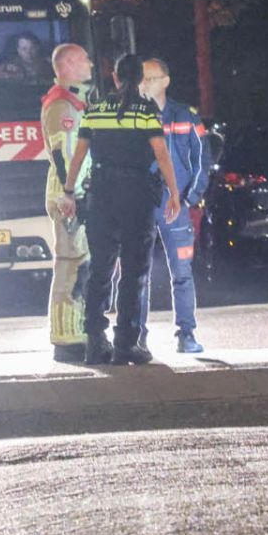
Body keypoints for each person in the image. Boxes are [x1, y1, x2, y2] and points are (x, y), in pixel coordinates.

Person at [62, 55, 181, 365]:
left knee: (100, 269)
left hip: (101, 195)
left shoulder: (95, 110)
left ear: (114, 77)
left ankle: (94, 342)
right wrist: (174, 193)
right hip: (136, 196)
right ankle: (126, 344)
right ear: (140, 78)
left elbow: (79, 155)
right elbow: (162, 155)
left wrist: (68, 191)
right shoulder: (146, 111)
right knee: (133, 271)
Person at [135, 58, 210, 354]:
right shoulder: (131, 115)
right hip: (142, 204)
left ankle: (186, 334)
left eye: (150, 78)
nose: (144, 84)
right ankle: (136, 335)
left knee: (181, 272)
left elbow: (203, 159)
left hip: (175, 205)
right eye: (141, 78)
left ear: (166, 81)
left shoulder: (185, 116)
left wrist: (191, 198)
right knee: (137, 273)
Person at [42, 43, 94, 363]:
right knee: (72, 264)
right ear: (70, 64)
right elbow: (64, 154)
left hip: (71, 193)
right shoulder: (62, 105)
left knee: (79, 263)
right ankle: (67, 338)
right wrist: (71, 192)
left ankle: (76, 332)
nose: (91, 65)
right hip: (68, 196)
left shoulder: (71, 101)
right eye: (86, 60)